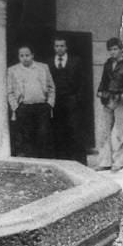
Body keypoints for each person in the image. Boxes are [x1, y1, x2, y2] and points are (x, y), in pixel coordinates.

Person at [96, 37, 123, 172]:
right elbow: (104, 81)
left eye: (115, 49)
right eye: (110, 50)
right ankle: (104, 162)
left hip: (121, 101)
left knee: (120, 133)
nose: (113, 52)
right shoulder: (108, 64)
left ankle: (119, 161)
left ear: (122, 49)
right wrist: (100, 91)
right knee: (104, 131)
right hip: (108, 99)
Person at [6, 44, 54, 158]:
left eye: (27, 55)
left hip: (41, 107)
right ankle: (31, 160)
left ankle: (43, 160)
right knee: (26, 136)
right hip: (24, 107)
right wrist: (15, 107)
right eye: (21, 55)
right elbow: (9, 91)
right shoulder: (13, 70)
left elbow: (51, 87)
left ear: (32, 55)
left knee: (42, 134)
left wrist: (49, 104)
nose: (25, 58)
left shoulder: (43, 68)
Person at [48, 34, 86, 164]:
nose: (59, 48)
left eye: (62, 46)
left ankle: (80, 162)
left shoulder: (76, 61)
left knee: (74, 130)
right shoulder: (48, 62)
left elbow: (82, 83)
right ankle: (62, 161)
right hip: (56, 102)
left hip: (71, 101)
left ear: (66, 47)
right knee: (58, 130)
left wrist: (76, 99)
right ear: (54, 47)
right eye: (57, 46)